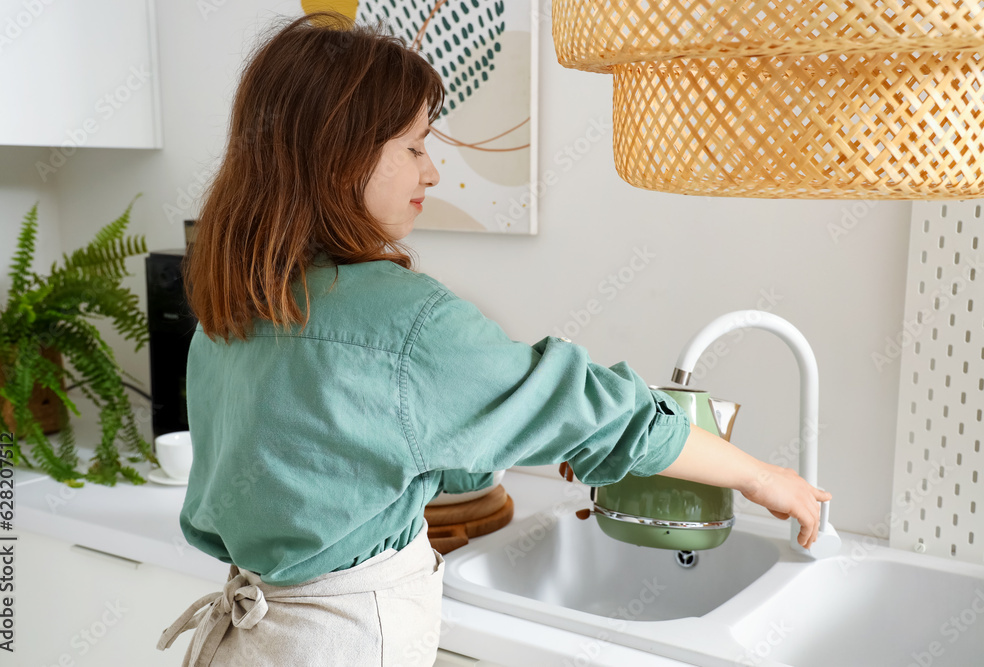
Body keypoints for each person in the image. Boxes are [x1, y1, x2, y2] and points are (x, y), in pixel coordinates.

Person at [156, 10, 831, 667]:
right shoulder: (404, 320)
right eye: (415, 146)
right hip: (348, 641)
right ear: (341, 160)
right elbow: (605, 412)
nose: (432, 172)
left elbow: (364, 454)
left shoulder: (232, 307)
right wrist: (763, 476)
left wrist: (522, 429)